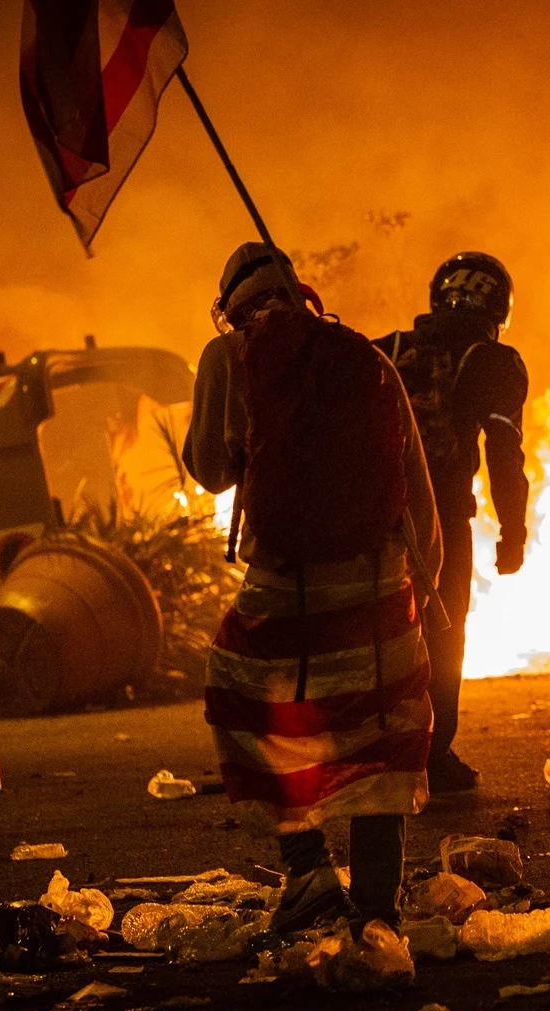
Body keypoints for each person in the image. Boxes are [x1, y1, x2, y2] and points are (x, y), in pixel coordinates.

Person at [184, 243, 442, 932]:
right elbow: (413, 477)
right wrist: (427, 585)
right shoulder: (365, 354)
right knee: (380, 739)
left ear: (230, 308)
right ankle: (380, 915)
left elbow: (208, 467)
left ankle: (309, 871)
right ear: (301, 292)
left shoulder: (226, 357)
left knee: (254, 714)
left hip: (288, 588)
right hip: (380, 580)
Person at [373, 253, 530, 792]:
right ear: (497, 308)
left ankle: (376, 750)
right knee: (443, 633)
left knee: (381, 632)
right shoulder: (492, 360)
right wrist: (513, 532)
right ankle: (431, 755)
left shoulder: (384, 350)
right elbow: (504, 451)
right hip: (440, 520)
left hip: (372, 519)